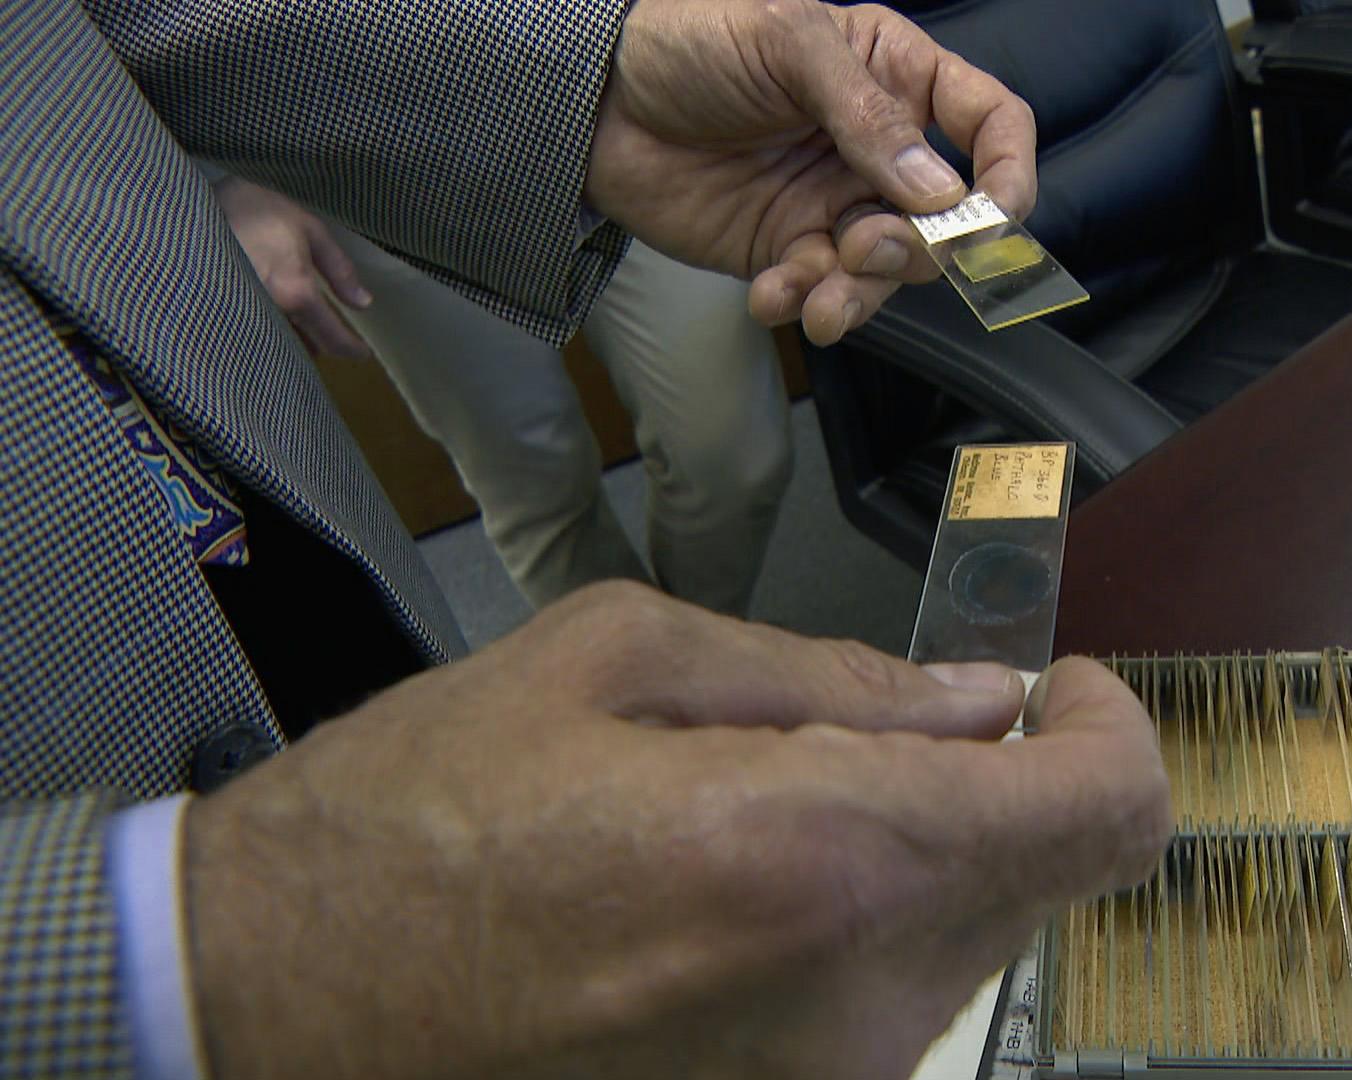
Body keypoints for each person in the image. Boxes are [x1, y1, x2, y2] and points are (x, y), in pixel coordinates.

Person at [0, 2, 1173, 1077]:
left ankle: (645, 692)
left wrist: (588, 77)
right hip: (344, 246)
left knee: (729, 454)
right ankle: (616, 704)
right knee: (532, 479)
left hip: (490, 136)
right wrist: (211, 954)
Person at [211, 174, 792, 615]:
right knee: (534, 482)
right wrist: (228, 175)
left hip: (593, 65)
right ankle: (653, 695)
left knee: (735, 448)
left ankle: (695, 653)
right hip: (360, 143)